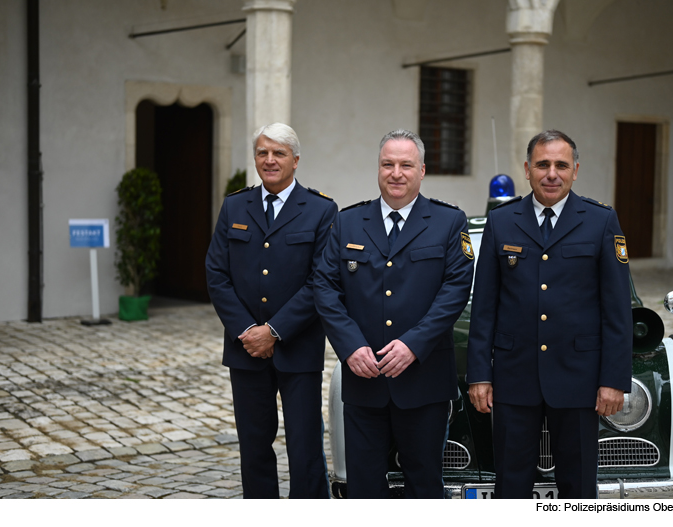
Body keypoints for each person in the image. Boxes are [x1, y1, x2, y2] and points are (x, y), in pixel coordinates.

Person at [466, 129, 632, 499]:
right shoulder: (503, 221)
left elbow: (617, 309)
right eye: (542, 164)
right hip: (514, 378)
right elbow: (485, 307)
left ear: (575, 169)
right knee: (511, 485)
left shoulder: (600, 221)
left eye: (560, 165)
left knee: (577, 486)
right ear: (527, 169)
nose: (551, 173)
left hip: (579, 380)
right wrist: (480, 373)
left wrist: (614, 379)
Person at [314, 129, 474, 498]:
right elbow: (324, 287)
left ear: (422, 170)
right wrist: (351, 346)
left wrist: (413, 345)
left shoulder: (449, 222)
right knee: (364, 487)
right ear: (378, 169)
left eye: (406, 165)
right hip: (363, 377)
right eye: (388, 164)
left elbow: (455, 290)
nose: (396, 173)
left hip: (424, 379)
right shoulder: (349, 221)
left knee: (424, 485)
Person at [205, 123, 337, 499]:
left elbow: (321, 281)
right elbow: (216, 272)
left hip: (298, 349)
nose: (269, 160)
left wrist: (274, 330)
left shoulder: (321, 210)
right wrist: (247, 329)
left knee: (305, 444)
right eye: (263, 152)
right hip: (245, 348)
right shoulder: (235, 205)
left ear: (295, 160)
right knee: (254, 445)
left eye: (279, 153)